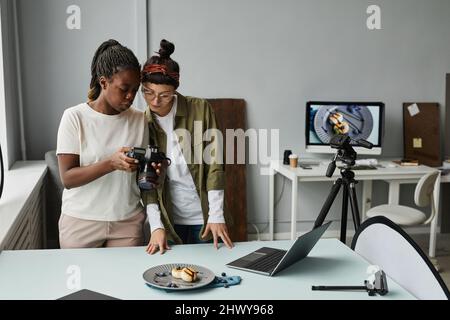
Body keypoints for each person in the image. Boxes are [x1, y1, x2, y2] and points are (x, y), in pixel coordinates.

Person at [141, 39, 234, 254]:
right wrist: (156, 226)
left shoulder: (200, 109)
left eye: (164, 95)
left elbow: (215, 165)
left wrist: (216, 215)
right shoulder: (141, 123)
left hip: (205, 217)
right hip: (169, 221)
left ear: (175, 91)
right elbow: (146, 183)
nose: (154, 101)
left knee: (211, 275)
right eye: (147, 92)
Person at [56, 39, 150, 248]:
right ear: (104, 82)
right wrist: (111, 164)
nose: (130, 96)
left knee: (124, 281)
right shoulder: (74, 117)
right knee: (82, 282)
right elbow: (68, 178)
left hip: (128, 220)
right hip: (80, 222)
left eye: (135, 90)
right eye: (124, 88)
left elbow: (142, 174)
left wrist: (154, 172)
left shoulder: (140, 119)